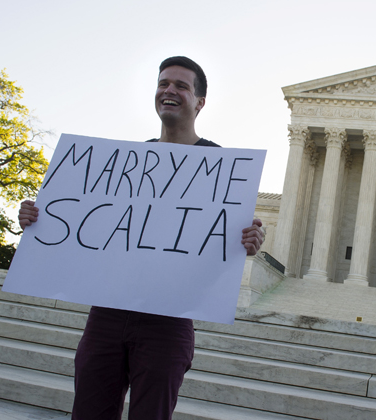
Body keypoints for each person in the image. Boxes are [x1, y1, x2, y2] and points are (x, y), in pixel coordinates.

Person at [18, 56, 265, 420]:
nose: (169, 90)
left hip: (168, 321)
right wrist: (41, 219)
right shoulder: (127, 162)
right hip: (107, 315)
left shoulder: (221, 167)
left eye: (181, 86)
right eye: (163, 83)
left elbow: (224, 241)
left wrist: (250, 240)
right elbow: (92, 228)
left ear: (200, 102)